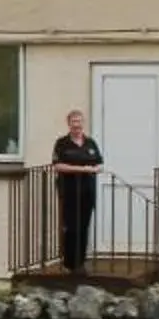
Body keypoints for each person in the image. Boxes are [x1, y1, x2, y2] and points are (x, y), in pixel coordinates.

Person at [51, 110, 104, 272]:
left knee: (84, 225)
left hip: (87, 190)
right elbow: (57, 165)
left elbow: (99, 165)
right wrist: (82, 169)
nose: (77, 125)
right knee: (70, 226)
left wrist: (93, 169)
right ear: (69, 124)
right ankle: (69, 263)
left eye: (79, 121)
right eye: (74, 121)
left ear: (83, 123)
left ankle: (80, 262)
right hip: (69, 190)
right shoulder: (62, 143)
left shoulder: (90, 143)